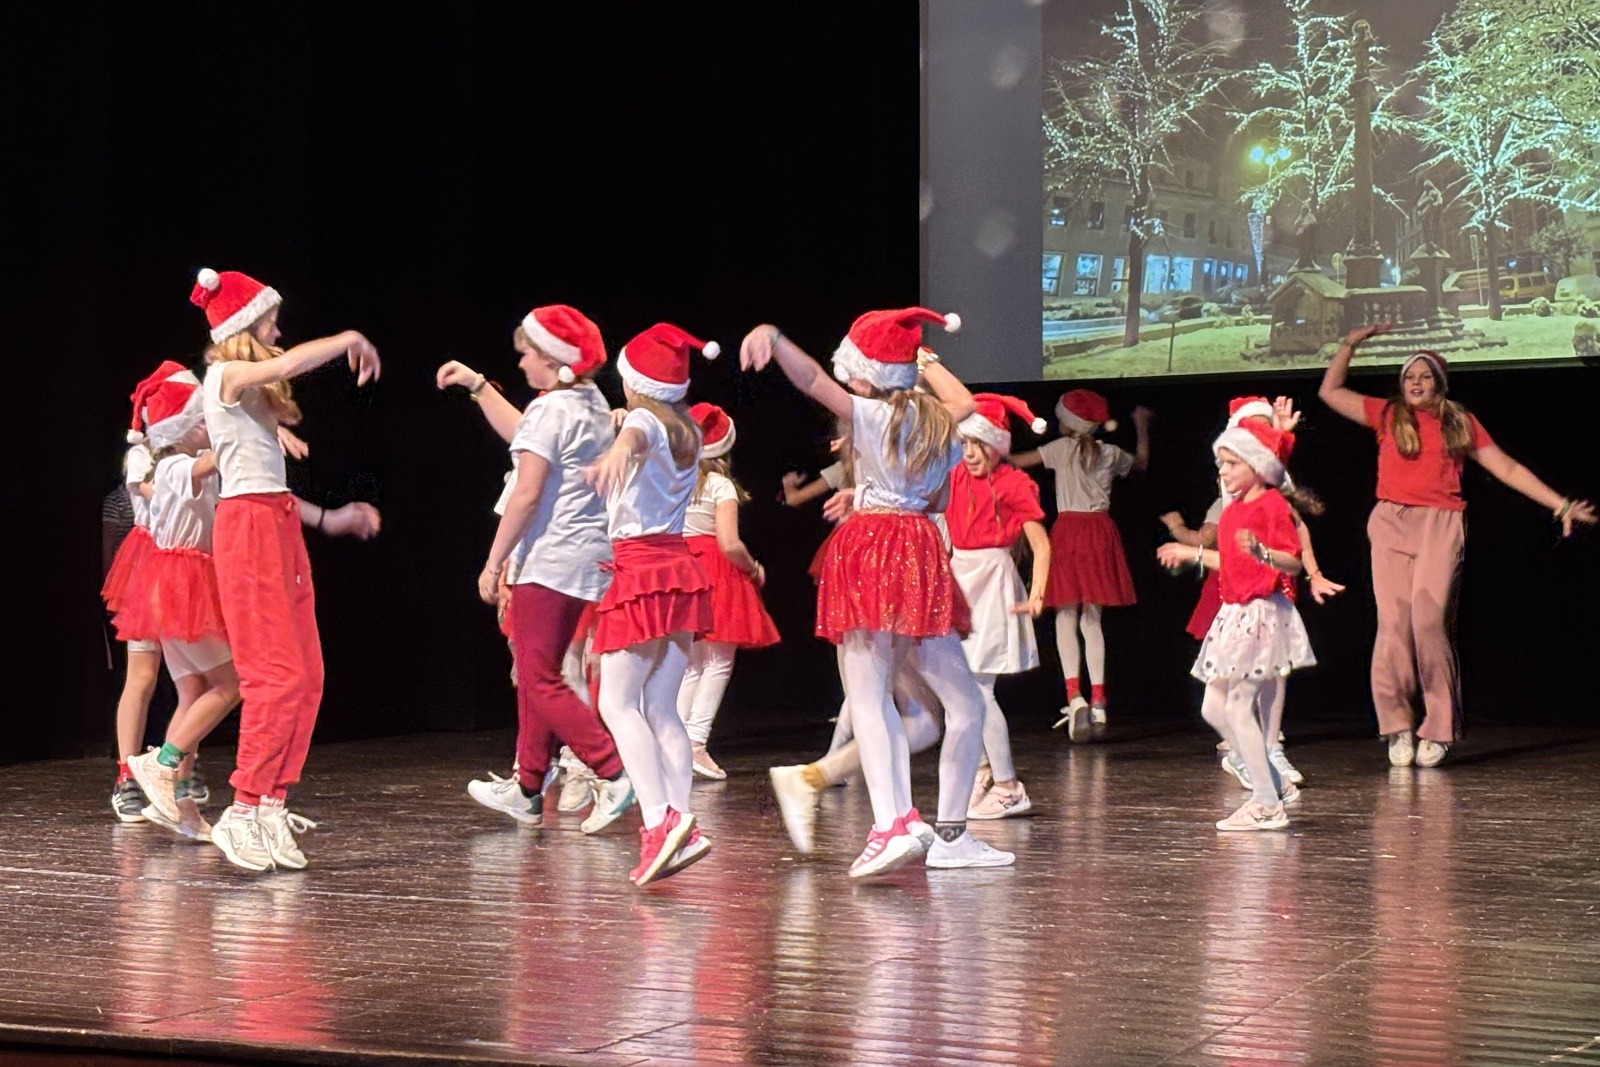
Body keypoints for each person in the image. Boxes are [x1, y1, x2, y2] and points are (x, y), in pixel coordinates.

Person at [741, 308, 1013, 876]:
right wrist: (925, 363)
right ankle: (948, 834)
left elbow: (811, 379)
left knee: (868, 695)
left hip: (872, 549)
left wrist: (776, 337)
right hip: (920, 548)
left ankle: (892, 824)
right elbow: (951, 446)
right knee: (963, 705)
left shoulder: (870, 415)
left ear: (865, 375)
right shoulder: (940, 423)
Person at [1319, 326, 1595, 766]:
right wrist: (1349, 345)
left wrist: (1559, 504)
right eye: (1409, 377)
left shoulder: (1459, 423)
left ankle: (1439, 728)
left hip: (1440, 523)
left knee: (1428, 623)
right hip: (1390, 522)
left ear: (1439, 383)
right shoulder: (1388, 414)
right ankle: (1396, 726)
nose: (1416, 383)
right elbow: (1330, 392)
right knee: (1392, 625)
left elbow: (1506, 468)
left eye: (1425, 376)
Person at [191, 267, 382, 871]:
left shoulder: (254, 402)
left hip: (275, 523)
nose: (278, 331)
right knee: (273, 675)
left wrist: (329, 518)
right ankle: (242, 808)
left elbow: (267, 483)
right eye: (270, 321)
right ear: (245, 326)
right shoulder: (224, 375)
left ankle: (271, 802)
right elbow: (289, 363)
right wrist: (349, 338)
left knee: (306, 674)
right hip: (248, 531)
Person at [439, 304, 634, 833]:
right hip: (582, 557)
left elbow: (525, 494)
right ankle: (528, 786)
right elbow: (525, 433)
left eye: (526, 353)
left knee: (538, 676)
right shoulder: (587, 401)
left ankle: (612, 772)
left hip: (550, 559)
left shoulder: (554, 410)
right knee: (536, 672)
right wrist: (479, 386)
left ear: (550, 358)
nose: (521, 362)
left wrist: (493, 562)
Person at [586, 323, 719, 887]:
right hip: (678, 566)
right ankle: (681, 822)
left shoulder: (642, 424)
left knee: (617, 704)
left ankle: (659, 821)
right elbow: (642, 435)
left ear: (634, 383)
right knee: (661, 708)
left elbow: (635, 437)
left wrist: (617, 450)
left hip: (641, 569)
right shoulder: (686, 430)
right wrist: (622, 435)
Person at [1161, 395, 1343, 787]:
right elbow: (1231, 555)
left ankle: (1267, 768)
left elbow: (1292, 534)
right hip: (1236, 597)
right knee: (1221, 700)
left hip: (1263, 598)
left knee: (1264, 680)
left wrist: (1309, 571)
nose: (1223, 470)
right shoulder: (1234, 499)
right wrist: (1191, 551)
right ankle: (1254, 760)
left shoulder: (1269, 498)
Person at [1013, 391, 1151, 742]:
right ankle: (1099, 700)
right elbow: (1141, 463)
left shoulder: (1062, 448)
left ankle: (1075, 697)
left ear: (1067, 422)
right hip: (1100, 532)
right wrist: (1141, 426)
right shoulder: (1109, 453)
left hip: (1070, 532)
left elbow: (1018, 462)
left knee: (1065, 615)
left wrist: (992, 448)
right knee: (1092, 619)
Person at [949, 394, 1051, 819]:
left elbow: (1040, 545)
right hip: (959, 576)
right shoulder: (954, 475)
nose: (971, 453)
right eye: (965, 444)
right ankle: (985, 770)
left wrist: (1038, 593)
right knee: (958, 686)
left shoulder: (1013, 483)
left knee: (978, 688)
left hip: (991, 581)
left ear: (998, 445)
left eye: (980, 444)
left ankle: (1009, 787)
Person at [677, 403, 781, 779]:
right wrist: (754, 569)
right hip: (714, 571)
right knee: (718, 661)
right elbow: (729, 543)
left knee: (692, 664)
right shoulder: (719, 486)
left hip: (682, 570)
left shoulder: (676, 479)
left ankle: (676, 742)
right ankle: (695, 742)